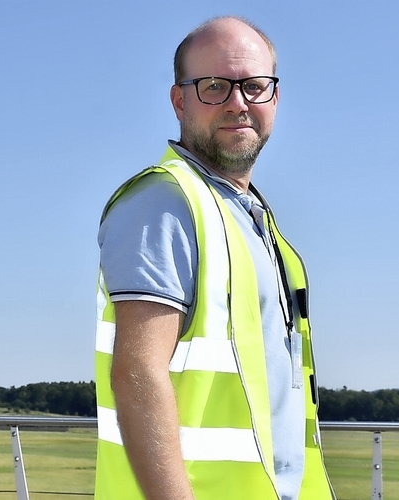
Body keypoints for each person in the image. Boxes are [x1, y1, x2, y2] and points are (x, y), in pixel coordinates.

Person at [94, 16, 335, 500]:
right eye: (214, 86)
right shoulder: (164, 204)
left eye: (254, 86)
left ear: (275, 98)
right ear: (179, 100)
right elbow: (138, 372)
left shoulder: (250, 219)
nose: (237, 103)